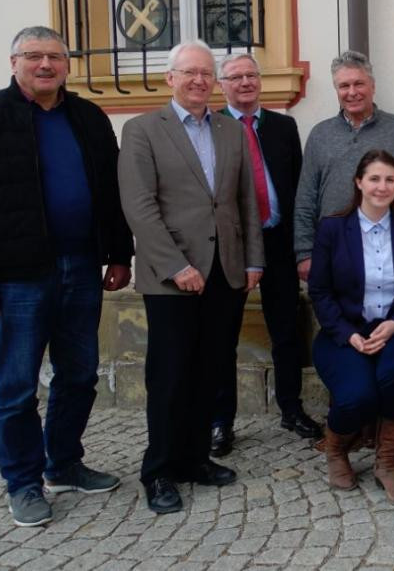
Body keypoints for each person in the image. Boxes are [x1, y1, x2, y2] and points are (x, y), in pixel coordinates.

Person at [0, 26, 133, 527]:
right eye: (33, 56)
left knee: (79, 374)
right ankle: (23, 482)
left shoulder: (88, 116)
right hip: (17, 276)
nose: (45, 65)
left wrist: (119, 254)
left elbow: (111, 192)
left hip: (81, 266)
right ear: (13, 61)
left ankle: (64, 464)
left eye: (55, 56)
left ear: (67, 64)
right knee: (16, 386)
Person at [118, 40, 265, 515]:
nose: (199, 80)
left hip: (224, 272)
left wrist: (253, 261)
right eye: (190, 73)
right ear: (171, 79)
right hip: (171, 276)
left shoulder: (229, 130)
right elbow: (139, 207)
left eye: (206, 73)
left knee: (210, 369)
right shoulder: (142, 130)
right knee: (170, 374)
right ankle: (158, 469)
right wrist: (176, 265)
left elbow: (246, 202)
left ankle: (195, 458)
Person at [211, 54, 321, 458]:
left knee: (286, 331)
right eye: (235, 77)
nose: (245, 83)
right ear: (221, 85)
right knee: (223, 334)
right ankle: (220, 420)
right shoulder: (212, 127)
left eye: (251, 75)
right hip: (231, 246)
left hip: (278, 242)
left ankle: (291, 409)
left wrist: (302, 245)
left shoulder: (283, 126)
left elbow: (299, 188)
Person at [308, 150, 394, 505]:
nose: (382, 186)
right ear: (359, 182)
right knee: (357, 396)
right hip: (343, 330)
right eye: (374, 179)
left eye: (390, 179)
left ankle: (387, 462)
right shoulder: (332, 229)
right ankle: (335, 450)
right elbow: (319, 290)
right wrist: (348, 334)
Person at [294, 51, 394, 283]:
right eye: (344, 86)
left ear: (373, 86)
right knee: (336, 316)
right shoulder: (320, 135)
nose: (352, 92)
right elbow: (306, 198)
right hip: (334, 251)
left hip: (391, 248)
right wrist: (304, 252)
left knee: (388, 316)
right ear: (336, 90)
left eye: (359, 83)